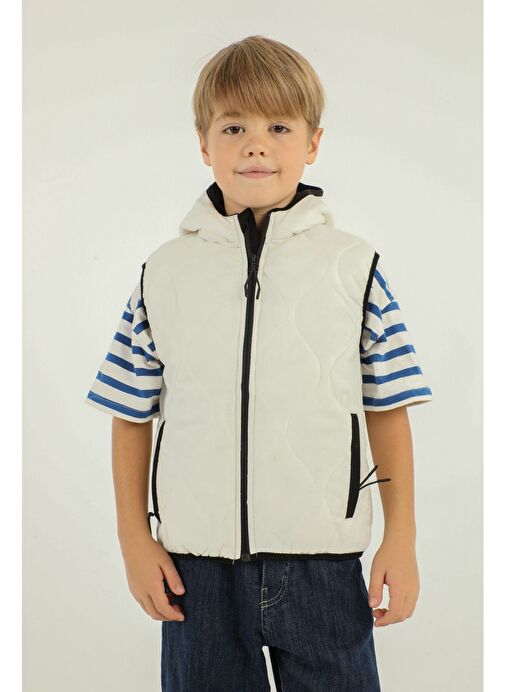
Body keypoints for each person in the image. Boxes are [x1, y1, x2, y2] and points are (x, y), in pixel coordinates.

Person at [85, 35, 433, 692]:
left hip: (322, 566)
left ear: (312, 143)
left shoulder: (355, 268)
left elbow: (389, 406)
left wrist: (401, 537)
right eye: (233, 127)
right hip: (196, 571)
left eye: (278, 127)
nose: (255, 146)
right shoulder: (163, 273)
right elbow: (129, 412)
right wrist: (134, 538)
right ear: (203, 144)